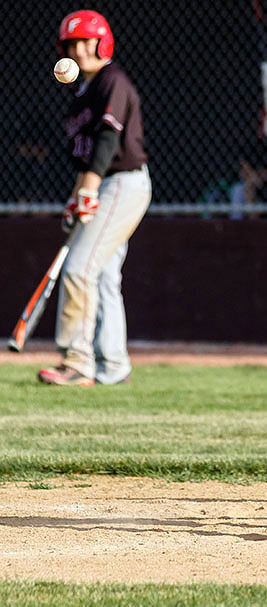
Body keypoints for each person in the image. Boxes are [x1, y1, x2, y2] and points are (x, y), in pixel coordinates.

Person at [37, 10, 151, 386]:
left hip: (122, 182)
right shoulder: (80, 93)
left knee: (78, 269)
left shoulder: (111, 81)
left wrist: (88, 188)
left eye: (86, 41)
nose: (79, 49)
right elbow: (85, 157)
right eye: (72, 43)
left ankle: (77, 360)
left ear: (102, 42)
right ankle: (114, 365)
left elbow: (108, 139)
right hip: (102, 183)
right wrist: (78, 194)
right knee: (101, 276)